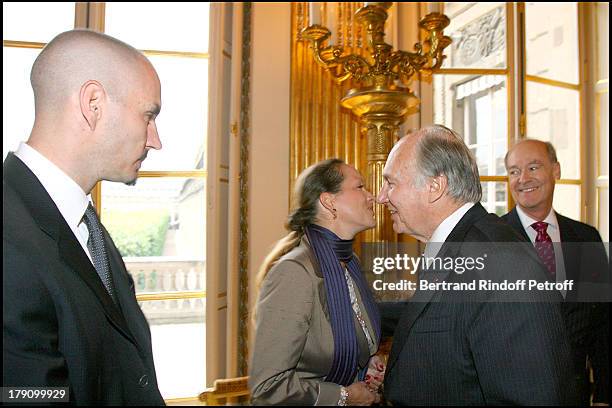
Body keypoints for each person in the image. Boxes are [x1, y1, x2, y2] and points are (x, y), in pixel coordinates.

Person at [3, 29, 164, 405]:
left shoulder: (82, 222)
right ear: (93, 103)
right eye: (148, 115)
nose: (156, 139)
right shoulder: (9, 238)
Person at [376, 125, 578, 405]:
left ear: (435, 187)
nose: (382, 196)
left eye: (391, 183)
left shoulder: (501, 263)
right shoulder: (454, 247)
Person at [249, 159, 385, 405]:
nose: (371, 197)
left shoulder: (348, 262)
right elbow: (268, 387)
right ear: (329, 202)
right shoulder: (294, 273)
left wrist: (366, 362)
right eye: (360, 187)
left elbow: (343, 342)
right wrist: (344, 397)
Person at [503, 139, 610, 406]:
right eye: (514, 171)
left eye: (533, 167)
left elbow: (603, 326)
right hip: (509, 396)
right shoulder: (491, 241)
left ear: (556, 171)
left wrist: (604, 396)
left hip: (575, 395)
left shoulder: (587, 238)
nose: (522, 178)